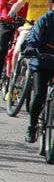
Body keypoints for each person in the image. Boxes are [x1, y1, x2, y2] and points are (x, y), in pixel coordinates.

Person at [8, 0, 53, 80]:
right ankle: (14, 79)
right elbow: (19, 3)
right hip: (29, 27)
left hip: (45, 30)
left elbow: (50, 9)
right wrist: (13, 12)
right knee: (17, 52)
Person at [22, 10, 54, 143]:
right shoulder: (46, 19)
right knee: (39, 95)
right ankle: (32, 126)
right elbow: (33, 36)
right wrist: (30, 47)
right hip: (42, 62)